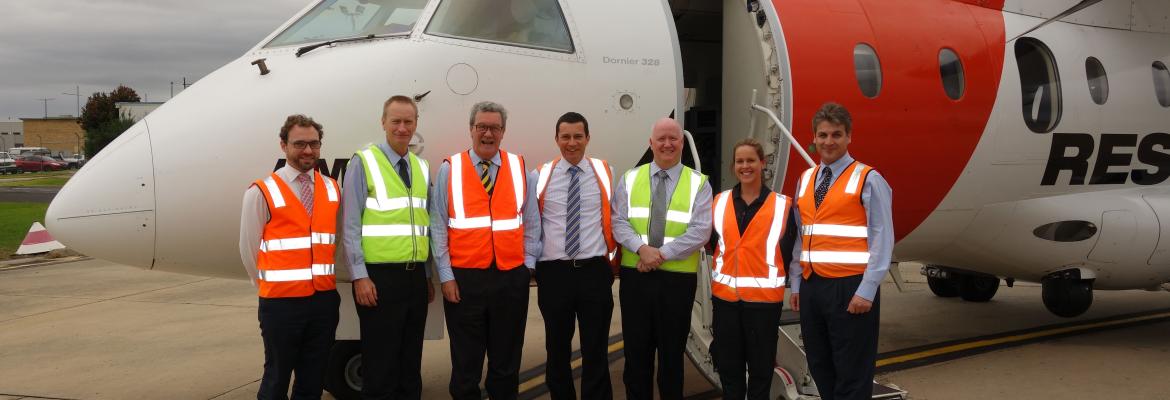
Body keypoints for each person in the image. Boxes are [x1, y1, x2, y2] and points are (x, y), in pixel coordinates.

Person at [429, 101, 542, 400]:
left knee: (506, 362)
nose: (488, 133)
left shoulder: (520, 169)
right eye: (482, 127)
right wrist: (445, 276)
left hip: (510, 278)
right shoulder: (449, 170)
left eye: (494, 127)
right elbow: (438, 225)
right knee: (466, 364)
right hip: (465, 281)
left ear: (503, 132)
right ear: (471, 129)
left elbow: (531, 221)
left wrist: (527, 267)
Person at [790, 102, 894, 400]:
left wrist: (867, 289)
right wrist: (797, 282)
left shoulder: (868, 179)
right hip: (812, 287)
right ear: (814, 138)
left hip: (850, 288)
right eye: (823, 135)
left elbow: (882, 238)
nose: (828, 142)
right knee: (820, 365)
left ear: (849, 137)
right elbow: (802, 235)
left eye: (836, 134)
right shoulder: (806, 179)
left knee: (852, 372)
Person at [239, 114, 341, 400]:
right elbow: (248, 248)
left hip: (323, 301)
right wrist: (266, 288)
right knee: (276, 377)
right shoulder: (262, 191)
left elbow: (336, 241)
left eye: (314, 144)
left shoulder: (332, 188)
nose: (308, 151)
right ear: (283, 145)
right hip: (281, 304)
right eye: (299, 144)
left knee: (313, 377)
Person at [611, 117, 712, 400]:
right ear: (651, 143)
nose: (667, 144)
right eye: (661, 139)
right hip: (636, 280)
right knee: (636, 358)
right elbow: (618, 221)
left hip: (676, 284)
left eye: (673, 139)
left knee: (671, 360)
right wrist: (642, 250)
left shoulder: (699, 183)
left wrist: (660, 254)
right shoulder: (630, 179)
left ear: (682, 142)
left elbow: (701, 231)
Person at [341, 95, 434, 400]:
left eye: (408, 121)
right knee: (380, 368)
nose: (402, 128)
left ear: (416, 124)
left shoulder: (421, 166)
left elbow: (425, 226)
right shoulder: (364, 162)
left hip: (415, 279)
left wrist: (428, 275)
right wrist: (359, 276)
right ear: (383, 123)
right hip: (379, 280)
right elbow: (350, 224)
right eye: (396, 121)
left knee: (410, 365)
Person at [533, 112, 616, 400]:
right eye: (565, 137)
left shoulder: (605, 172)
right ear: (556, 139)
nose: (572, 143)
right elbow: (531, 223)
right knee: (556, 349)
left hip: (594, 271)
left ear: (588, 138)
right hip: (555, 273)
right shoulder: (539, 176)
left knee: (595, 349)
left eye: (578, 136)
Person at [709, 138, 800, 400]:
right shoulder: (720, 202)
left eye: (751, 160)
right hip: (725, 302)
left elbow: (788, 250)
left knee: (761, 373)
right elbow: (716, 245)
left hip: (763, 305)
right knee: (729, 370)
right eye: (740, 161)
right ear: (733, 166)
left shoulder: (783, 206)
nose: (745, 166)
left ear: (762, 163)